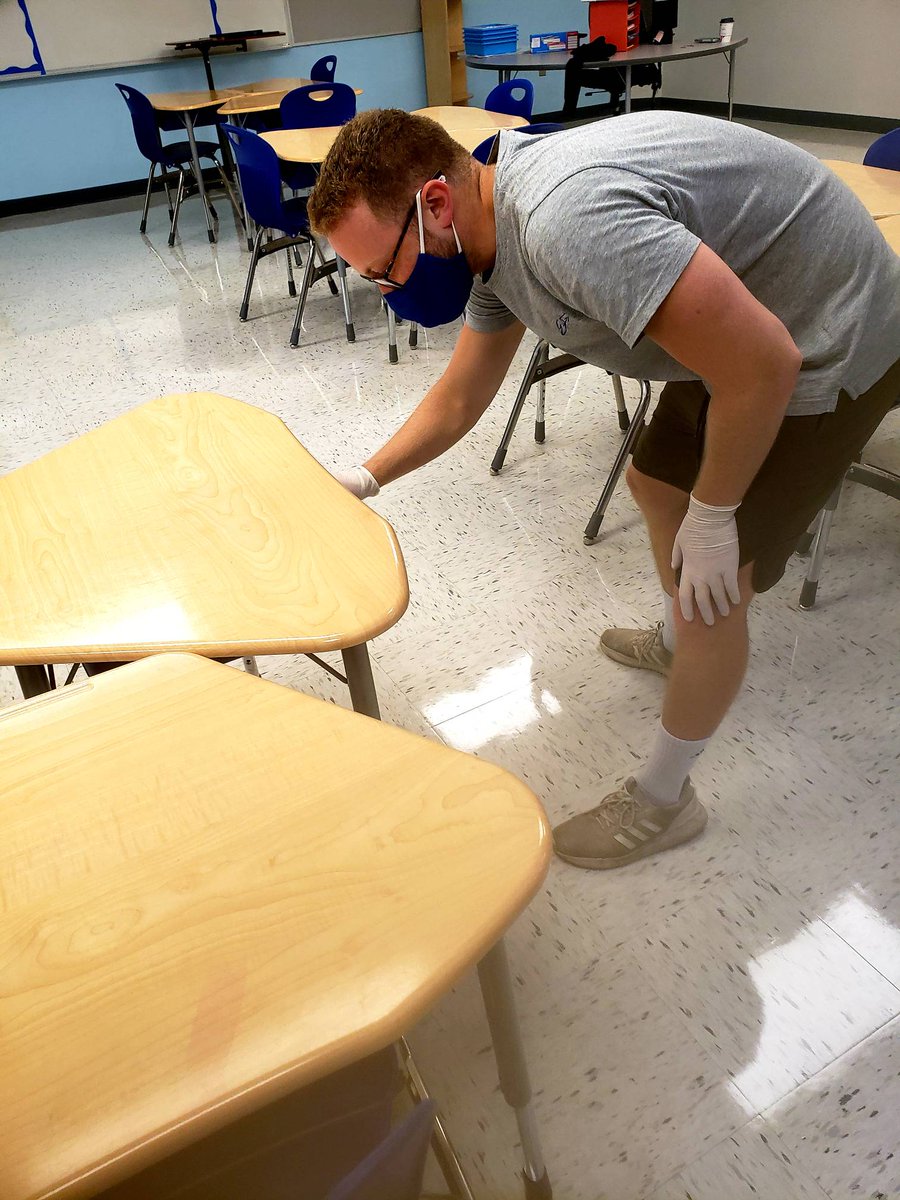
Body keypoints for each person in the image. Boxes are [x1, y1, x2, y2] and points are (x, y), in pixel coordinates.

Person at [307, 108, 900, 870]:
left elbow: (764, 368)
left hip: (824, 342)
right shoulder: (488, 234)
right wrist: (364, 476)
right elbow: (459, 399)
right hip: (739, 327)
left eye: (384, 269)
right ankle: (674, 645)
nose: (387, 291)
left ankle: (664, 798)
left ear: (434, 206)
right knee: (656, 482)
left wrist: (717, 518)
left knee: (715, 587)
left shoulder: (565, 221)